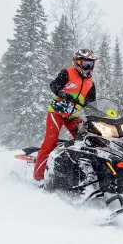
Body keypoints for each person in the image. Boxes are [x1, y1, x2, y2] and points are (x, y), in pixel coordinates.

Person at [33, 49, 97, 181]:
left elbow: (92, 104)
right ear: (77, 63)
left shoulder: (90, 83)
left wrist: (97, 117)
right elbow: (54, 85)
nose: (88, 68)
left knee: (86, 142)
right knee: (50, 143)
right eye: (86, 64)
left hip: (73, 117)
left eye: (91, 65)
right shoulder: (67, 72)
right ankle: (38, 177)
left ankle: (83, 175)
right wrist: (62, 93)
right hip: (57, 113)